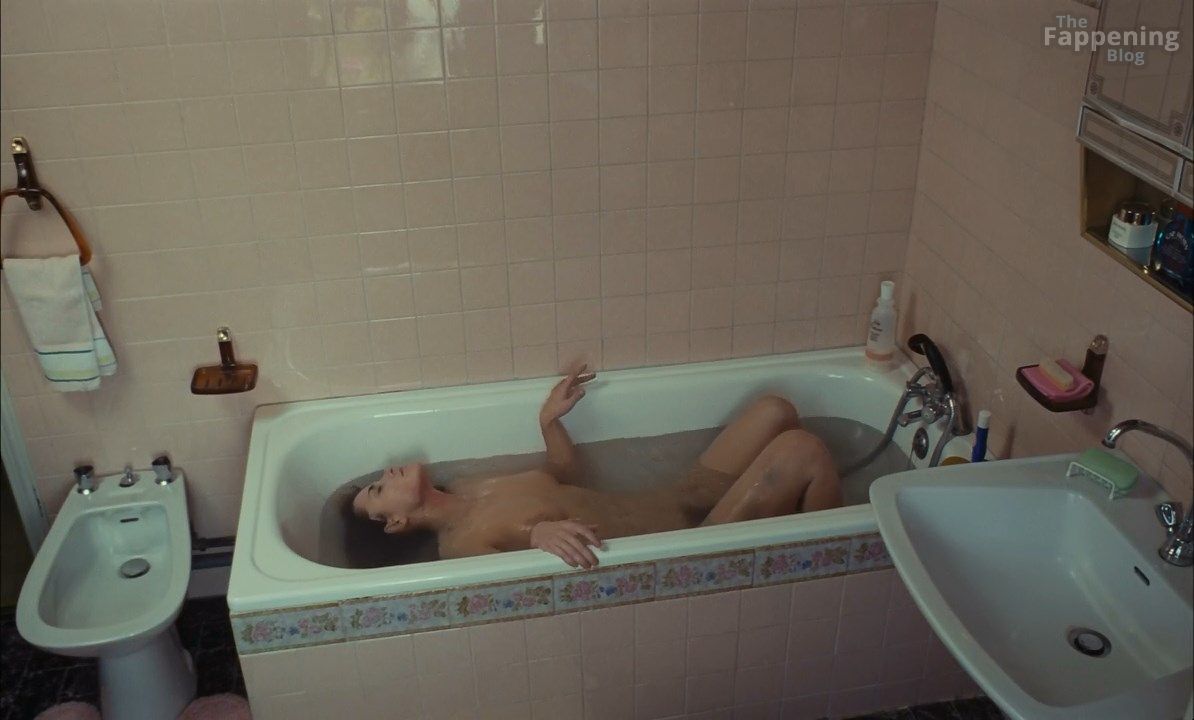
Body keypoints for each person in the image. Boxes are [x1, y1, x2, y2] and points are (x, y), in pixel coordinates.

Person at [351, 365, 842, 569]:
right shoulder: (458, 545)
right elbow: (512, 585)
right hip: (688, 544)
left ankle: (789, 520)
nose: (385, 475)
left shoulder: (470, 484)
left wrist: (549, 422)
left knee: (775, 411)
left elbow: (565, 477)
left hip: (676, 501)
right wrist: (536, 539)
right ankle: (833, 562)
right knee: (801, 449)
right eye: (377, 491)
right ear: (395, 523)